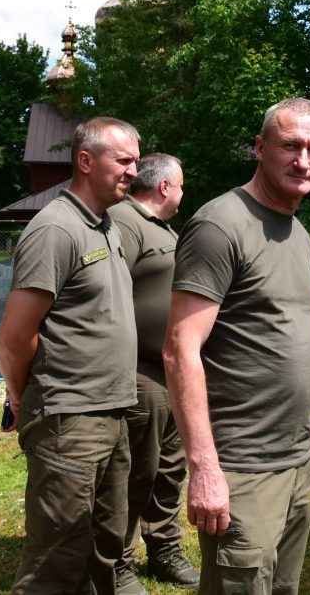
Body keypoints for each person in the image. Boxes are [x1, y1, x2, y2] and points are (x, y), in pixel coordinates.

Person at [163, 98, 310, 595]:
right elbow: (180, 349)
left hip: (295, 455)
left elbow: (296, 337)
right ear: (260, 148)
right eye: (290, 146)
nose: (304, 161)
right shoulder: (221, 226)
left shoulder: (299, 232)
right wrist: (204, 469)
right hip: (242, 464)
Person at [0, 116, 140, 594]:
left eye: (136, 162)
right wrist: (22, 396)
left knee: (105, 544)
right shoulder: (55, 229)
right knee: (56, 559)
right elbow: (16, 337)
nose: (133, 171)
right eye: (122, 160)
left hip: (112, 411)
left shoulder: (106, 226)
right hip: (69, 417)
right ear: (85, 160)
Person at [109, 153, 199, 594]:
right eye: (181, 185)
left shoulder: (162, 230)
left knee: (169, 469)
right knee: (135, 473)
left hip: (173, 369)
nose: (183, 192)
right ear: (165, 186)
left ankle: (164, 550)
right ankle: (117, 563)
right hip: (139, 372)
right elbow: (106, 294)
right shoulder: (123, 221)